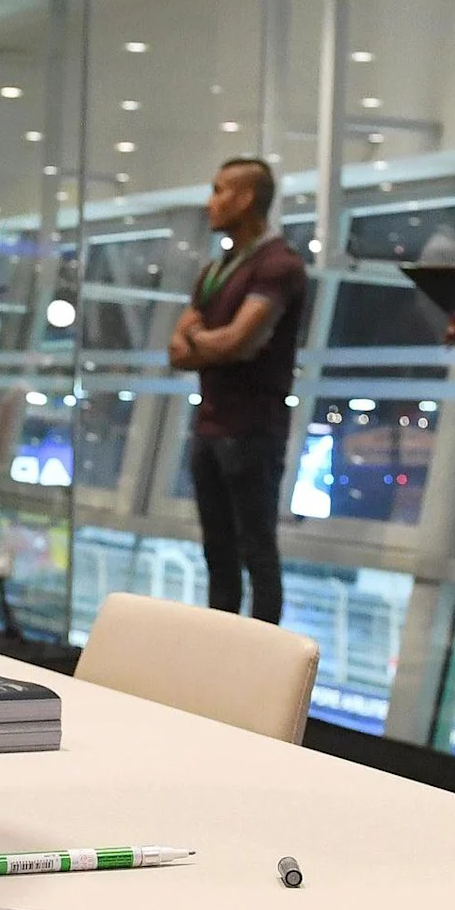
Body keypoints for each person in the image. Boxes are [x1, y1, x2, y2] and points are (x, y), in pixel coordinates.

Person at [169, 157, 307, 623]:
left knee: (257, 555)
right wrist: (213, 344)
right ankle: (220, 662)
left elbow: (236, 341)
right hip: (211, 428)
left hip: (252, 431)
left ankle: (265, 671)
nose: (210, 201)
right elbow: (179, 348)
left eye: (219, 189)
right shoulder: (216, 268)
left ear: (246, 198)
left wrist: (202, 341)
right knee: (218, 554)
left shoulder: (279, 265)